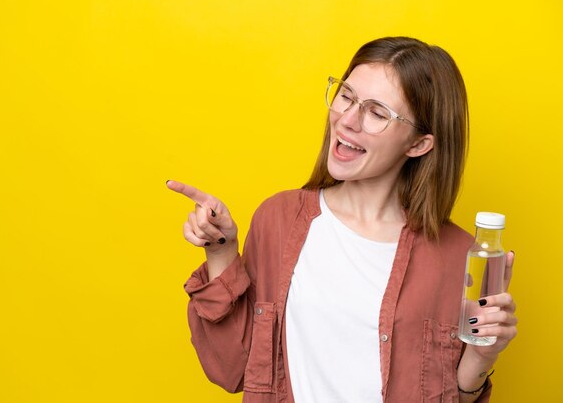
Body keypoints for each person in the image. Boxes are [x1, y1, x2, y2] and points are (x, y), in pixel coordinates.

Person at [166, 36, 518, 403]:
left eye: (377, 113)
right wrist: (220, 251)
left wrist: (480, 356)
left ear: (418, 145)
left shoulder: (460, 257)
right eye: (347, 96)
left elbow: (453, 396)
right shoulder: (279, 220)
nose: (348, 120)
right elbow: (231, 369)